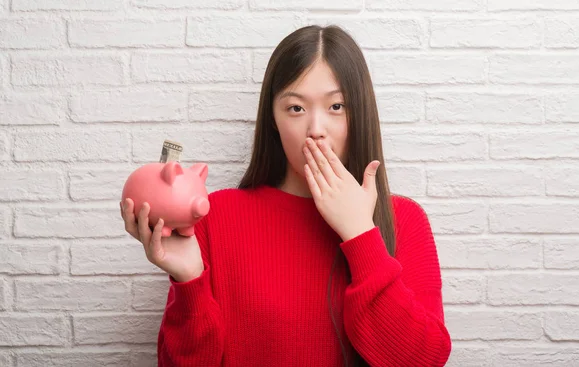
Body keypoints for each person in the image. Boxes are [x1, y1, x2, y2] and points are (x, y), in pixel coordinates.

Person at [120, 24, 451, 367]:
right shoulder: (215, 217)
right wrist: (189, 282)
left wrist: (360, 234)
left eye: (336, 106)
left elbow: (422, 360)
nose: (316, 129)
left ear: (359, 113)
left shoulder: (405, 220)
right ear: (274, 120)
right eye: (296, 108)